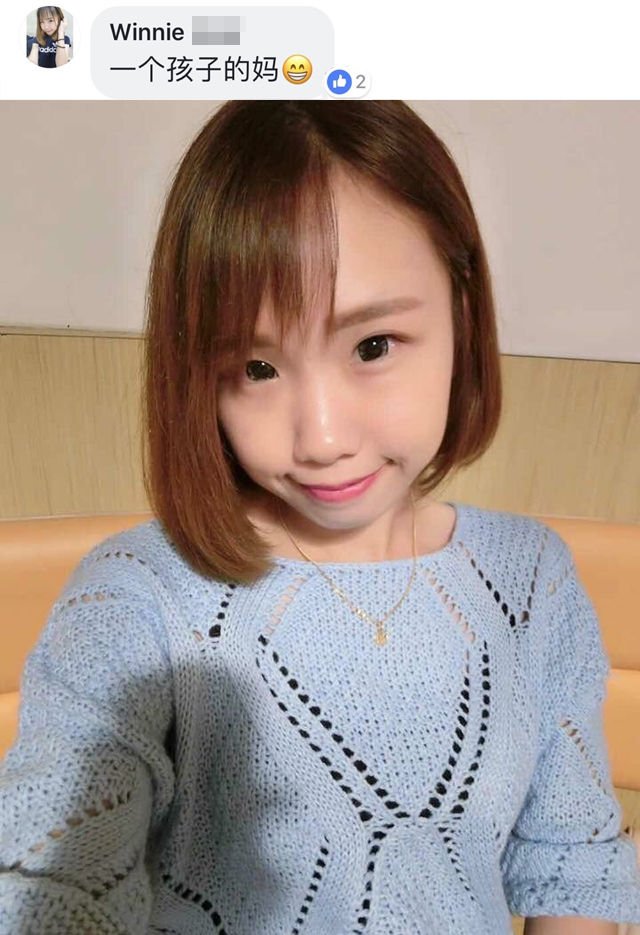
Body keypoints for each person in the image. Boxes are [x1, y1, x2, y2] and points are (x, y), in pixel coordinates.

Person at [0, 101, 639, 933]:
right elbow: (52, 873)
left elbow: (574, 866)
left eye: (373, 346)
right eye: (255, 367)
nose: (323, 439)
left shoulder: (531, 579)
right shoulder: (139, 597)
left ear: (462, 308)